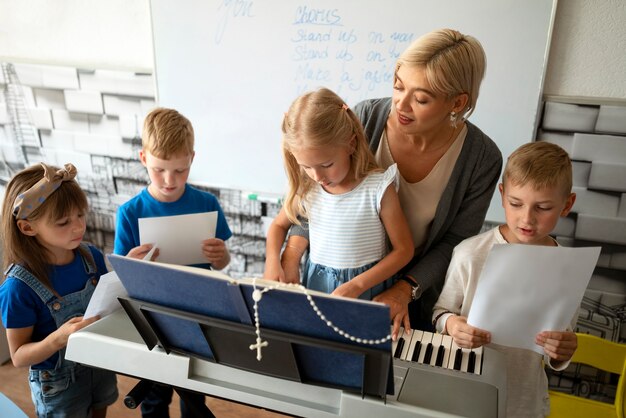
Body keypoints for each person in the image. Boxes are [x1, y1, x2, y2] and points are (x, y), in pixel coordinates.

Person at [282, 29, 502, 336]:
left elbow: (455, 241)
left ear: (457, 102)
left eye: (421, 98)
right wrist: (290, 258)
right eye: (398, 86)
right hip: (342, 288)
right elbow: (320, 195)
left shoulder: (481, 158)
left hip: (417, 297)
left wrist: (404, 290)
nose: (401, 104)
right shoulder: (365, 118)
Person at [432, 141, 578, 417]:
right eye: (515, 203)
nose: (527, 218)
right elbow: (440, 313)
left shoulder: (567, 269)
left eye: (543, 207)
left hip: (524, 402)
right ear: (502, 195)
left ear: (566, 204)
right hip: (462, 395)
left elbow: (559, 347)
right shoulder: (470, 254)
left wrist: (563, 350)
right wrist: (452, 324)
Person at [114, 107, 232, 418]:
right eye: (159, 170)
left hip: (196, 312)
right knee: (154, 395)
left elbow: (221, 264)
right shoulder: (130, 212)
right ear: (143, 159)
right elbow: (121, 276)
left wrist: (222, 257)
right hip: (152, 316)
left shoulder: (207, 204)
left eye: (180, 171)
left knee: (194, 391)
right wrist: (130, 263)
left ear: (192, 158)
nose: (169, 180)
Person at [264, 88, 413, 300]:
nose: (316, 175)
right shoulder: (307, 188)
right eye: (306, 166)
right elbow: (279, 225)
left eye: (327, 164)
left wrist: (357, 285)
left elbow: (404, 250)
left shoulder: (378, 188)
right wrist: (272, 262)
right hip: (316, 286)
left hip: (364, 289)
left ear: (350, 144)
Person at [0, 163, 118, 417]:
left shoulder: (92, 257)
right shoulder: (17, 288)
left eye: (80, 215)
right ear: (28, 227)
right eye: (63, 222)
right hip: (60, 384)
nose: (78, 227)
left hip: (100, 364)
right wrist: (59, 337)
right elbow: (19, 356)